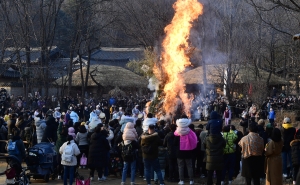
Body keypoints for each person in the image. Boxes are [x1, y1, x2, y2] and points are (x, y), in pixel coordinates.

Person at [174, 116, 197, 185]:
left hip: (179, 152)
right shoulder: (190, 132)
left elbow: (175, 143)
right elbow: (194, 141)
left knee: (180, 167)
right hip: (188, 151)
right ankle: (191, 180)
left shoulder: (177, 132)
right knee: (189, 166)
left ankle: (182, 180)